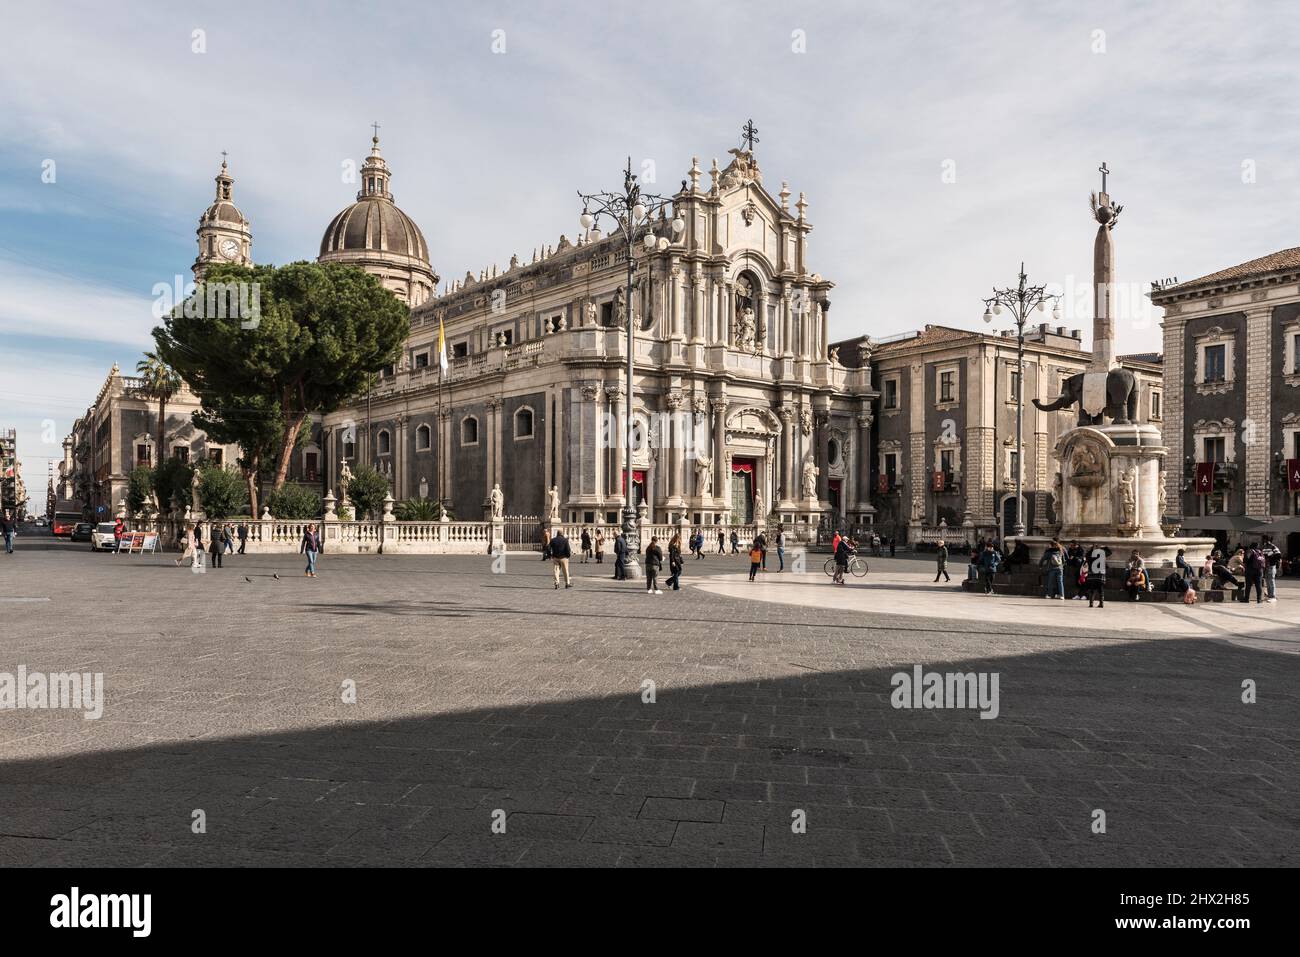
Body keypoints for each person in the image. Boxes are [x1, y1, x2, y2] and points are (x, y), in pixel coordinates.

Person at [1084, 543, 1111, 608]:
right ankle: (1101, 603)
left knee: (1092, 589)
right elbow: (1109, 552)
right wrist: (1104, 547)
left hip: (1093, 575)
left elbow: (1086, 555)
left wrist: (1091, 550)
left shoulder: (1090, 554)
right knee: (1101, 590)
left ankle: (1091, 603)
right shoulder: (1102, 554)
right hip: (1100, 575)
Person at [1262, 535, 1282, 603]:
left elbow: (1279, 555)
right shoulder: (1264, 547)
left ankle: (1273, 596)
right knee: (1267, 581)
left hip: (1271, 565)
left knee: (1271, 580)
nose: (1263, 540)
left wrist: (1269, 555)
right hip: (1266, 566)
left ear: (1267, 540)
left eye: (1264, 539)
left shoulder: (1273, 546)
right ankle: (1270, 595)